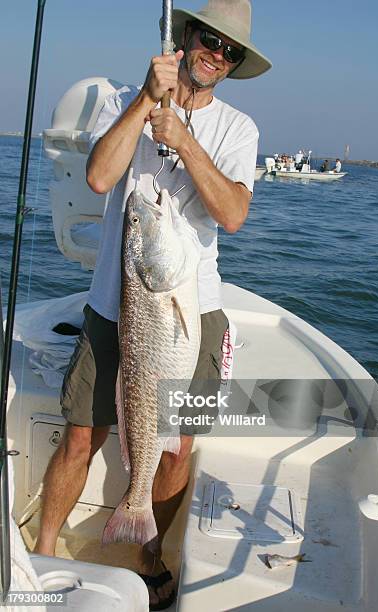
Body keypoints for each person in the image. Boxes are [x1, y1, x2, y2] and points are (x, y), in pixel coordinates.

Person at [34, 1, 271, 609]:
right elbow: (97, 179)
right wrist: (145, 101)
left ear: (234, 63)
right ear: (185, 36)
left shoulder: (239, 130)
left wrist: (185, 142)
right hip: (116, 305)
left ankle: (146, 547)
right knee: (83, 432)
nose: (215, 53)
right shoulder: (128, 102)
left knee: (177, 444)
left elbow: (234, 215)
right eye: (207, 39)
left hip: (190, 310)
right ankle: (45, 543)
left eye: (228, 50)